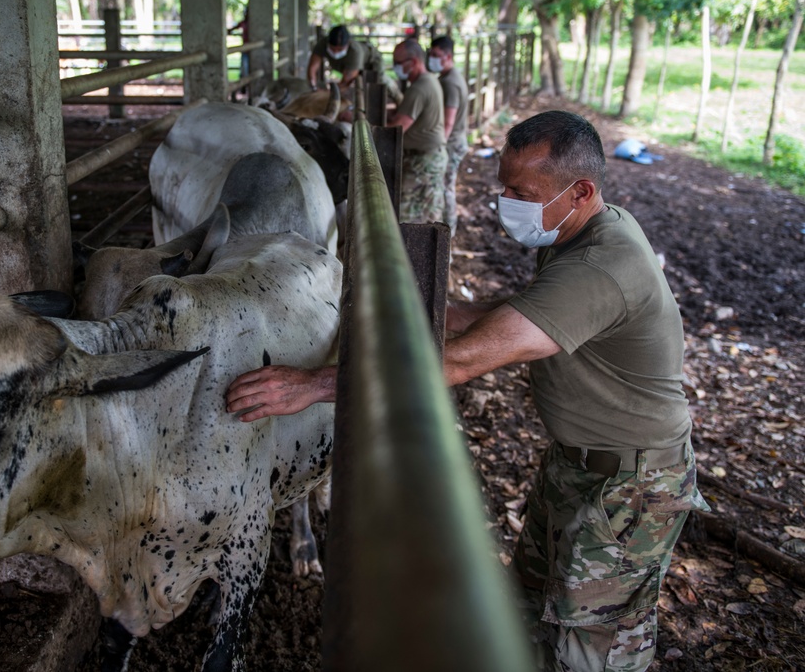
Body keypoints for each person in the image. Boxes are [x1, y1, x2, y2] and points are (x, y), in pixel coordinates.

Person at [225, 110, 709, 672]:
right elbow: (524, 312)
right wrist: (439, 309)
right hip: (578, 466)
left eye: (520, 191)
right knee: (529, 611)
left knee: (592, 648)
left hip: (631, 486)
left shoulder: (601, 266)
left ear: (581, 190)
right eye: (503, 185)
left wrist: (312, 384)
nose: (505, 200)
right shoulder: (582, 229)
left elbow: (459, 363)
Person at [388, 38, 447, 226]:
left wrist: (365, 125)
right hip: (430, 159)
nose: (395, 67)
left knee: (407, 217)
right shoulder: (428, 81)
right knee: (429, 215)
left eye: (397, 63)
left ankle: (411, 254)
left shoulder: (419, 88)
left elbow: (396, 129)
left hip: (422, 163)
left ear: (413, 62)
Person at [429, 35, 469, 238]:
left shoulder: (450, 83)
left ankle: (448, 233)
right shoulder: (448, 77)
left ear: (448, 56)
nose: (432, 58)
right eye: (431, 54)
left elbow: (449, 120)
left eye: (436, 55)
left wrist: (439, 146)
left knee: (445, 187)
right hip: (454, 140)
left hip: (451, 142)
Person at [307, 25, 402, 102]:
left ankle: (398, 98)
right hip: (346, 66)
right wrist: (314, 87)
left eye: (339, 49)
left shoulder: (355, 51)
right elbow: (312, 67)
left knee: (380, 81)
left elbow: (346, 81)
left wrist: (326, 93)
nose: (335, 52)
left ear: (347, 44)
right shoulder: (322, 45)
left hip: (371, 62)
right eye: (333, 48)